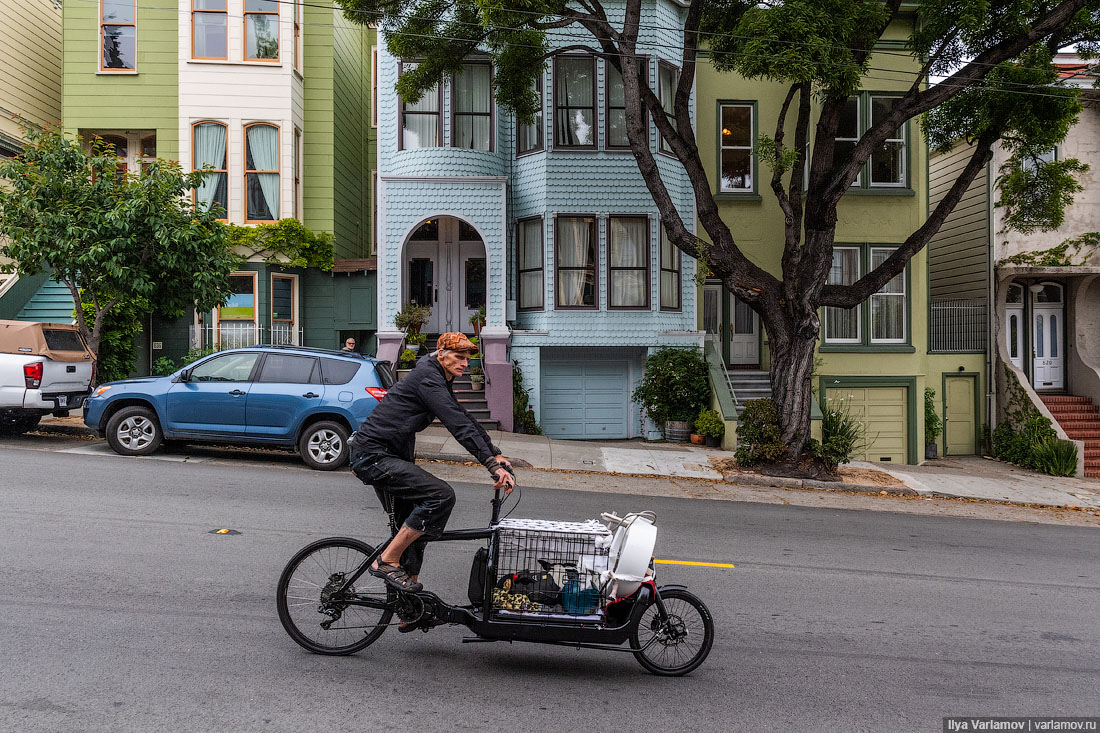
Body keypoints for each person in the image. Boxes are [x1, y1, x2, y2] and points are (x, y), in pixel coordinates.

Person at [349, 332, 514, 601]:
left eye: (468, 359)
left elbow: (462, 416)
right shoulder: (428, 377)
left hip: (388, 456)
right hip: (372, 457)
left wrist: (494, 453)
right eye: (459, 357)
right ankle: (387, 559)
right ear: (441, 354)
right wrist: (490, 465)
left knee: (416, 528)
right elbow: (456, 424)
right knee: (440, 496)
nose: (465, 364)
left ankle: (407, 605)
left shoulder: (437, 377)